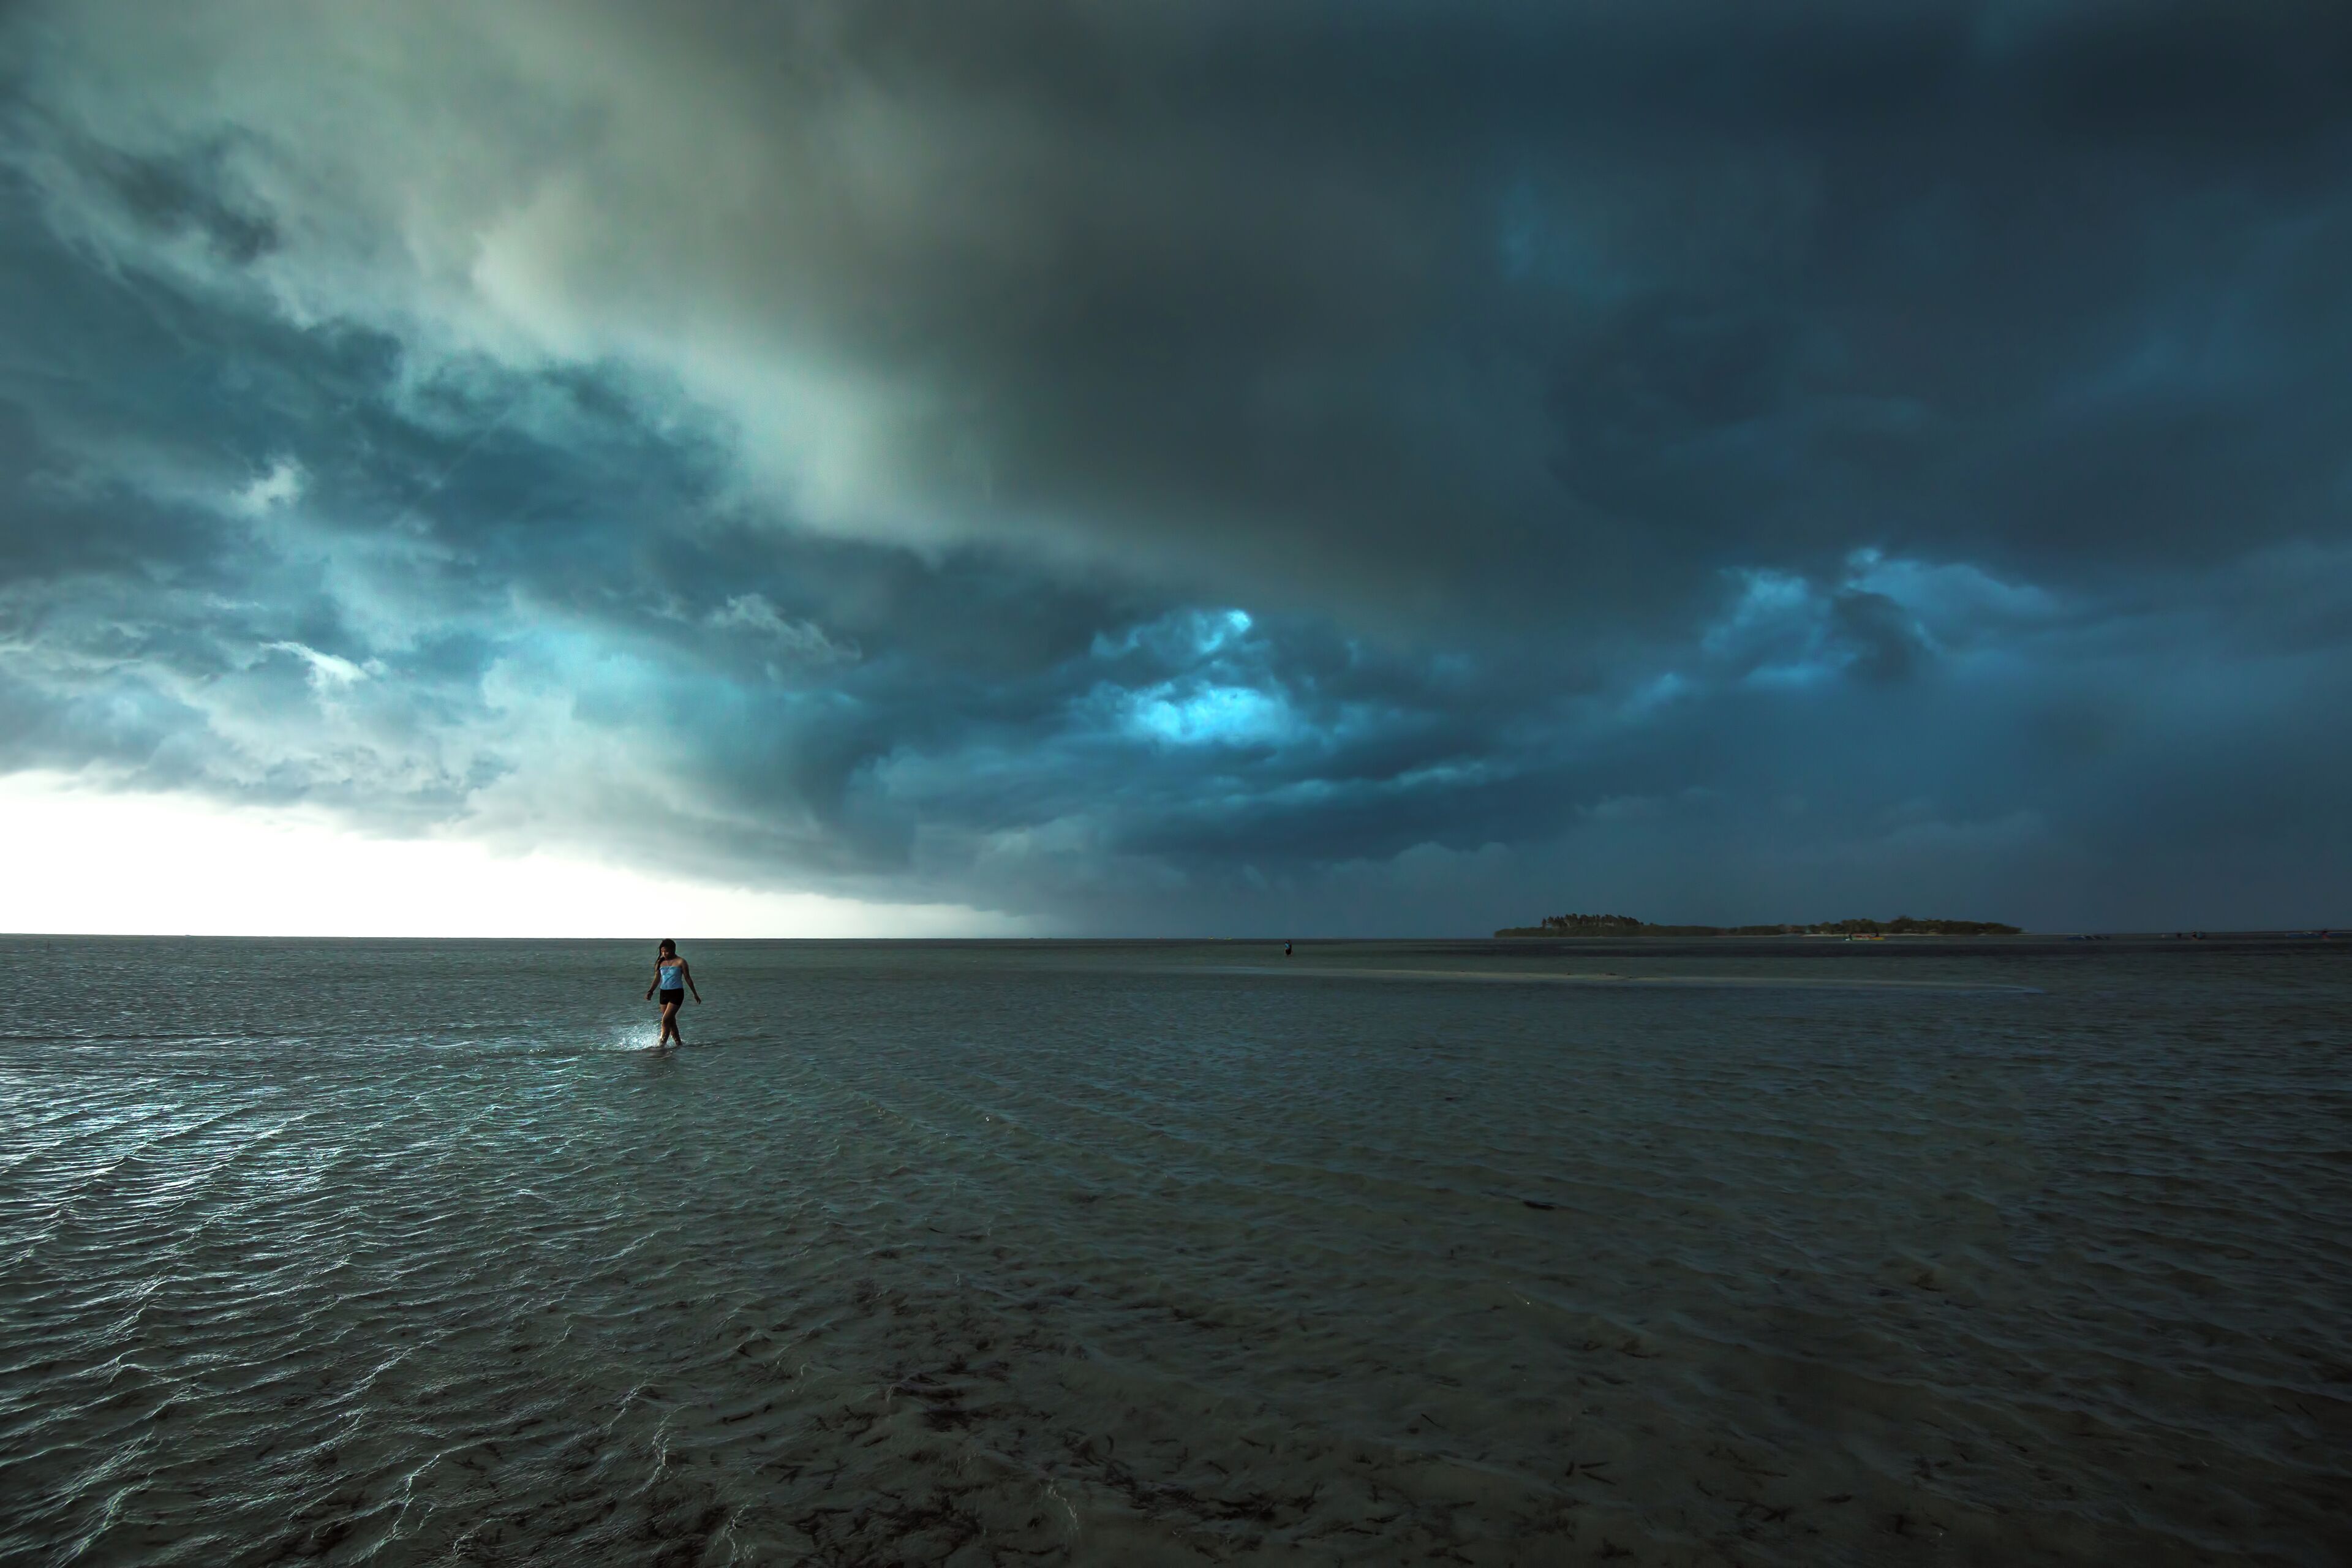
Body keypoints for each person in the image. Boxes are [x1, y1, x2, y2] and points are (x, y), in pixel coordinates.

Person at [644, 938, 701, 1048]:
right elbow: (657, 978)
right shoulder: (660, 962)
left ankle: (661, 1046)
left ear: (674, 950)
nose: (664, 954)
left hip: (677, 994)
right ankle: (679, 1044)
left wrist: (695, 994)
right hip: (664, 993)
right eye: (662, 951)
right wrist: (650, 991)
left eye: (667, 951)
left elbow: (688, 978)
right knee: (671, 1022)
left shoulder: (681, 962)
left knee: (665, 1020)